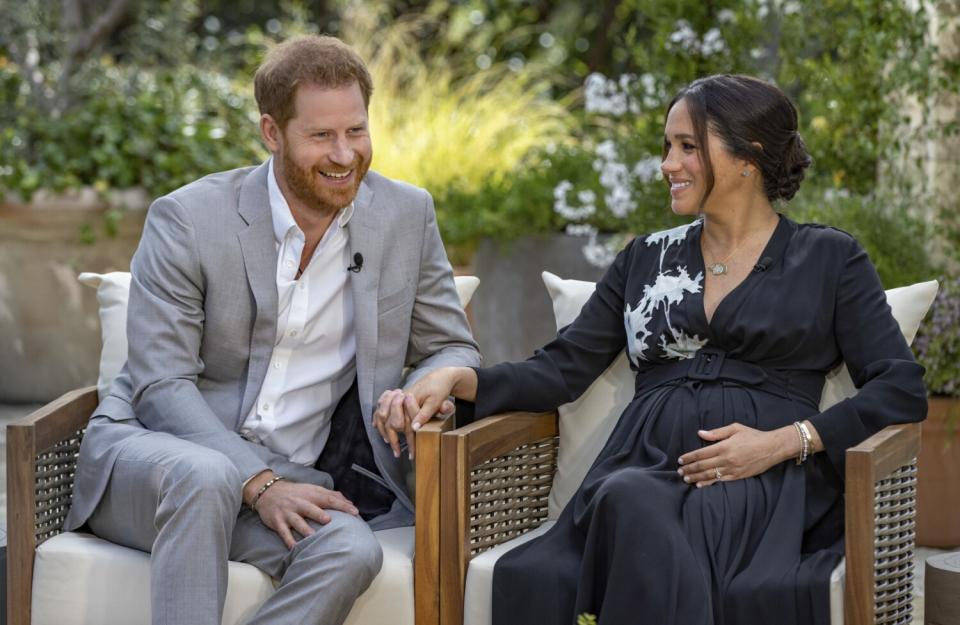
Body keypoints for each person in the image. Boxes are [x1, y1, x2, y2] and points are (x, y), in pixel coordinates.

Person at [403, 74, 927, 624]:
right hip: (641, 466)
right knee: (627, 497)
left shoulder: (829, 258)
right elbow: (561, 369)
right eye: (667, 147)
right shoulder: (645, 259)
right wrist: (460, 380)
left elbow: (900, 386)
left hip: (759, 480)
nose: (667, 164)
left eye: (687, 147)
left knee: (632, 504)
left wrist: (783, 444)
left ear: (748, 157)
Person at [63, 35, 480, 625]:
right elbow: (161, 387)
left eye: (356, 131)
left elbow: (452, 342)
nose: (345, 154)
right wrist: (255, 482)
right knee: (206, 475)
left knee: (350, 548)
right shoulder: (187, 219)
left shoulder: (406, 216)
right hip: (154, 466)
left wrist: (433, 379)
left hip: (289, 477)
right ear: (271, 132)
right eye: (321, 136)